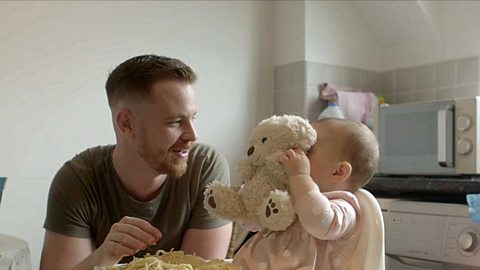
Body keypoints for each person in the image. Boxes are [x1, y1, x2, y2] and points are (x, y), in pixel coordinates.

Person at [40, 55, 232, 270]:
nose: (192, 135)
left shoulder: (205, 168)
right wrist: (103, 257)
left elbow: (199, 268)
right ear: (126, 124)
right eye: (175, 122)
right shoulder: (78, 179)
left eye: (192, 118)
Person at [233, 118, 379, 269]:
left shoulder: (345, 208)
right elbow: (256, 223)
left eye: (307, 150)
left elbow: (318, 221)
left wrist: (299, 176)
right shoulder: (293, 194)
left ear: (338, 172)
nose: (297, 152)